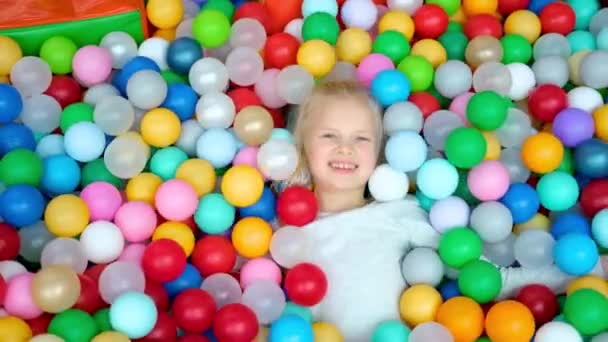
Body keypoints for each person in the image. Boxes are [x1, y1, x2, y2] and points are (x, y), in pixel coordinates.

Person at [274, 80, 606, 341]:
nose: (344, 147)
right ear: (302, 146)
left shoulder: (398, 214)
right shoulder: (281, 233)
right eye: (329, 135)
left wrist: (588, 271)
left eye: (361, 138)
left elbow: (488, 278)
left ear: (378, 153)